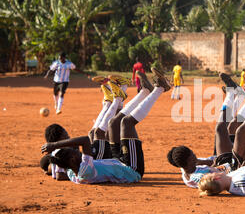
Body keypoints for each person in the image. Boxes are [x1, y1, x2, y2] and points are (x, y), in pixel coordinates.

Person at [41, 70, 172, 184]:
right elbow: (85, 141)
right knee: (126, 123)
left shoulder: (72, 171)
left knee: (113, 124)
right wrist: (55, 145)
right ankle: (160, 88)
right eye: (74, 152)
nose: (77, 151)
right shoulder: (85, 170)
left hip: (117, 161)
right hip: (131, 169)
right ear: (72, 159)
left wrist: (52, 159)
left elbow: (59, 164)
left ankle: (144, 91)